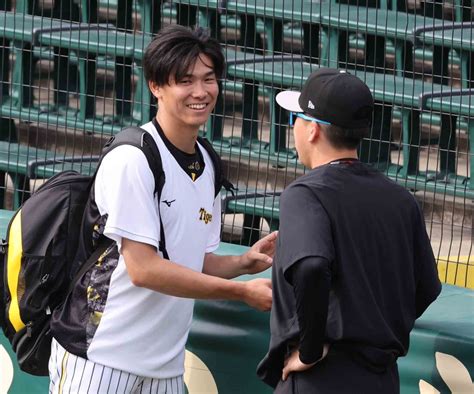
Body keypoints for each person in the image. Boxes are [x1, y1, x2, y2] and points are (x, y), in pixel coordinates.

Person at [48, 25, 277, 394]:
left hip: (166, 367)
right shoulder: (133, 159)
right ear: (156, 86)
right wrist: (242, 293)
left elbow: (188, 260)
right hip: (101, 357)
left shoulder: (207, 163)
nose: (201, 92)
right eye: (185, 81)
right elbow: (144, 269)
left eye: (209, 79)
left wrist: (243, 264)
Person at [257, 68, 441, 393]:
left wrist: (312, 350)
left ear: (312, 129)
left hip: (322, 379)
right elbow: (426, 288)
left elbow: (312, 266)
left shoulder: (305, 194)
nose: (294, 129)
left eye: (294, 120)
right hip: (381, 380)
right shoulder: (401, 199)